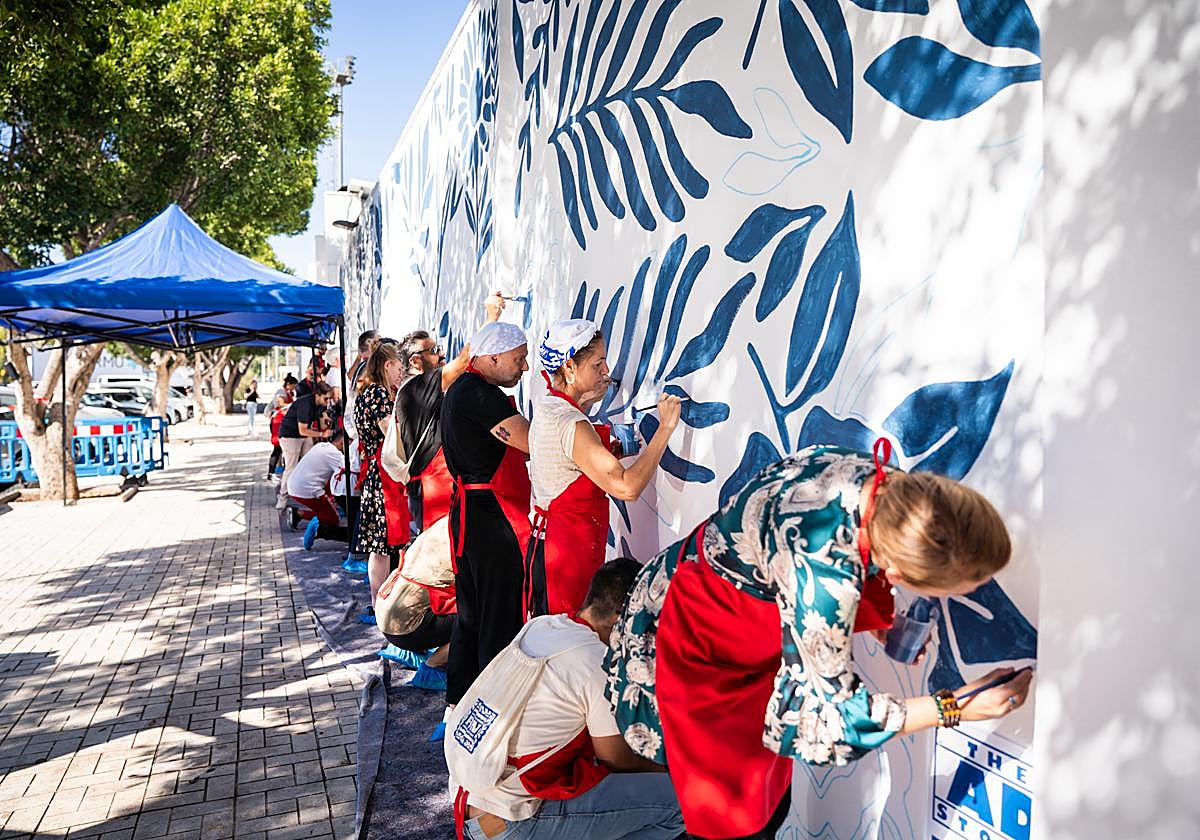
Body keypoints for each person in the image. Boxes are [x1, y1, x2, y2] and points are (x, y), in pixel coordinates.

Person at [604, 441, 1034, 840]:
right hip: (701, 646)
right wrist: (953, 707)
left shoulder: (887, 491)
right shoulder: (823, 580)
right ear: (901, 577)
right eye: (967, 584)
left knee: (769, 793)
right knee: (735, 816)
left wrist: (874, 619)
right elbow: (826, 719)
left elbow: (813, 560)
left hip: (726, 604)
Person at [448, 559, 685, 840]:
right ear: (620, 617)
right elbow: (617, 760)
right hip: (511, 822)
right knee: (682, 800)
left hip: (472, 805)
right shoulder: (596, 662)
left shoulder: (542, 625)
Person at [525, 319, 682, 617]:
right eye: (598, 364)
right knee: (573, 641)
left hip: (552, 548)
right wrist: (665, 429)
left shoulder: (548, 408)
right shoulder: (569, 421)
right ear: (569, 368)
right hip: (567, 558)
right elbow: (627, 487)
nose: (607, 371)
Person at [441, 320, 532, 708]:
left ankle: (457, 704)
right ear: (493, 357)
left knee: (472, 615)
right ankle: (494, 709)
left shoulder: (462, 389)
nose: (524, 367)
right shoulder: (480, 394)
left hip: (471, 516)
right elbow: (533, 442)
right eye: (519, 358)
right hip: (491, 518)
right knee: (499, 614)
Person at [397, 292, 505, 534]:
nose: (441, 355)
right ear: (416, 361)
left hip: (438, 485)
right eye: (434, 350)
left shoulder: (415, 388)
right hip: (433, 488)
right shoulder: (417, 387)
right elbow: (465, 359)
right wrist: (491, 317)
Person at [353, 340, 410, 619]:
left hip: (377, 471)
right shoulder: (377, 394)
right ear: (387, 365)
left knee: (383, 544)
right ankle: (379, 603)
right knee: (382, 544)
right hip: (382, 474)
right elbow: (390, 433)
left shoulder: (368, 392)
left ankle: (379, 600)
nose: (402, 372)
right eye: (400, 367)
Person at [276, 380, 336, 510]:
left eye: (329, 399)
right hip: (290, 435)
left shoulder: (320, 404)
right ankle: (283, 497)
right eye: (326, 399)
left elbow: (322, 421)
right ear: (318, 395)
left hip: (303, 436)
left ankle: (308, 493)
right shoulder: (305, 404)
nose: (327, 402)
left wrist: (327, 421)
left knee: (311, 463)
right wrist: (321, 434)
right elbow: (302, 430)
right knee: (291, 467)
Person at [288, 430, 350, 548]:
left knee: (327, 509)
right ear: (342, 442)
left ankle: (299, 514)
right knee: (333, 519)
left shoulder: (321, 446)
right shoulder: (335, 454)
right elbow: (348, 469)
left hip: (294, 486)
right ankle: (316, 527)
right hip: (308, 490)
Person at [267, 374, 297, 481]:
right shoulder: (281, 392)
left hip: (282, 421)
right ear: (289, 384)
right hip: (277, 421)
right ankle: (271, 472)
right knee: (277, 447)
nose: (294, 388)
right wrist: (292, 404)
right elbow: (280, 404)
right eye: (293, 386)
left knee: (280, 449)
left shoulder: (288, 393)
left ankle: (275, 471)